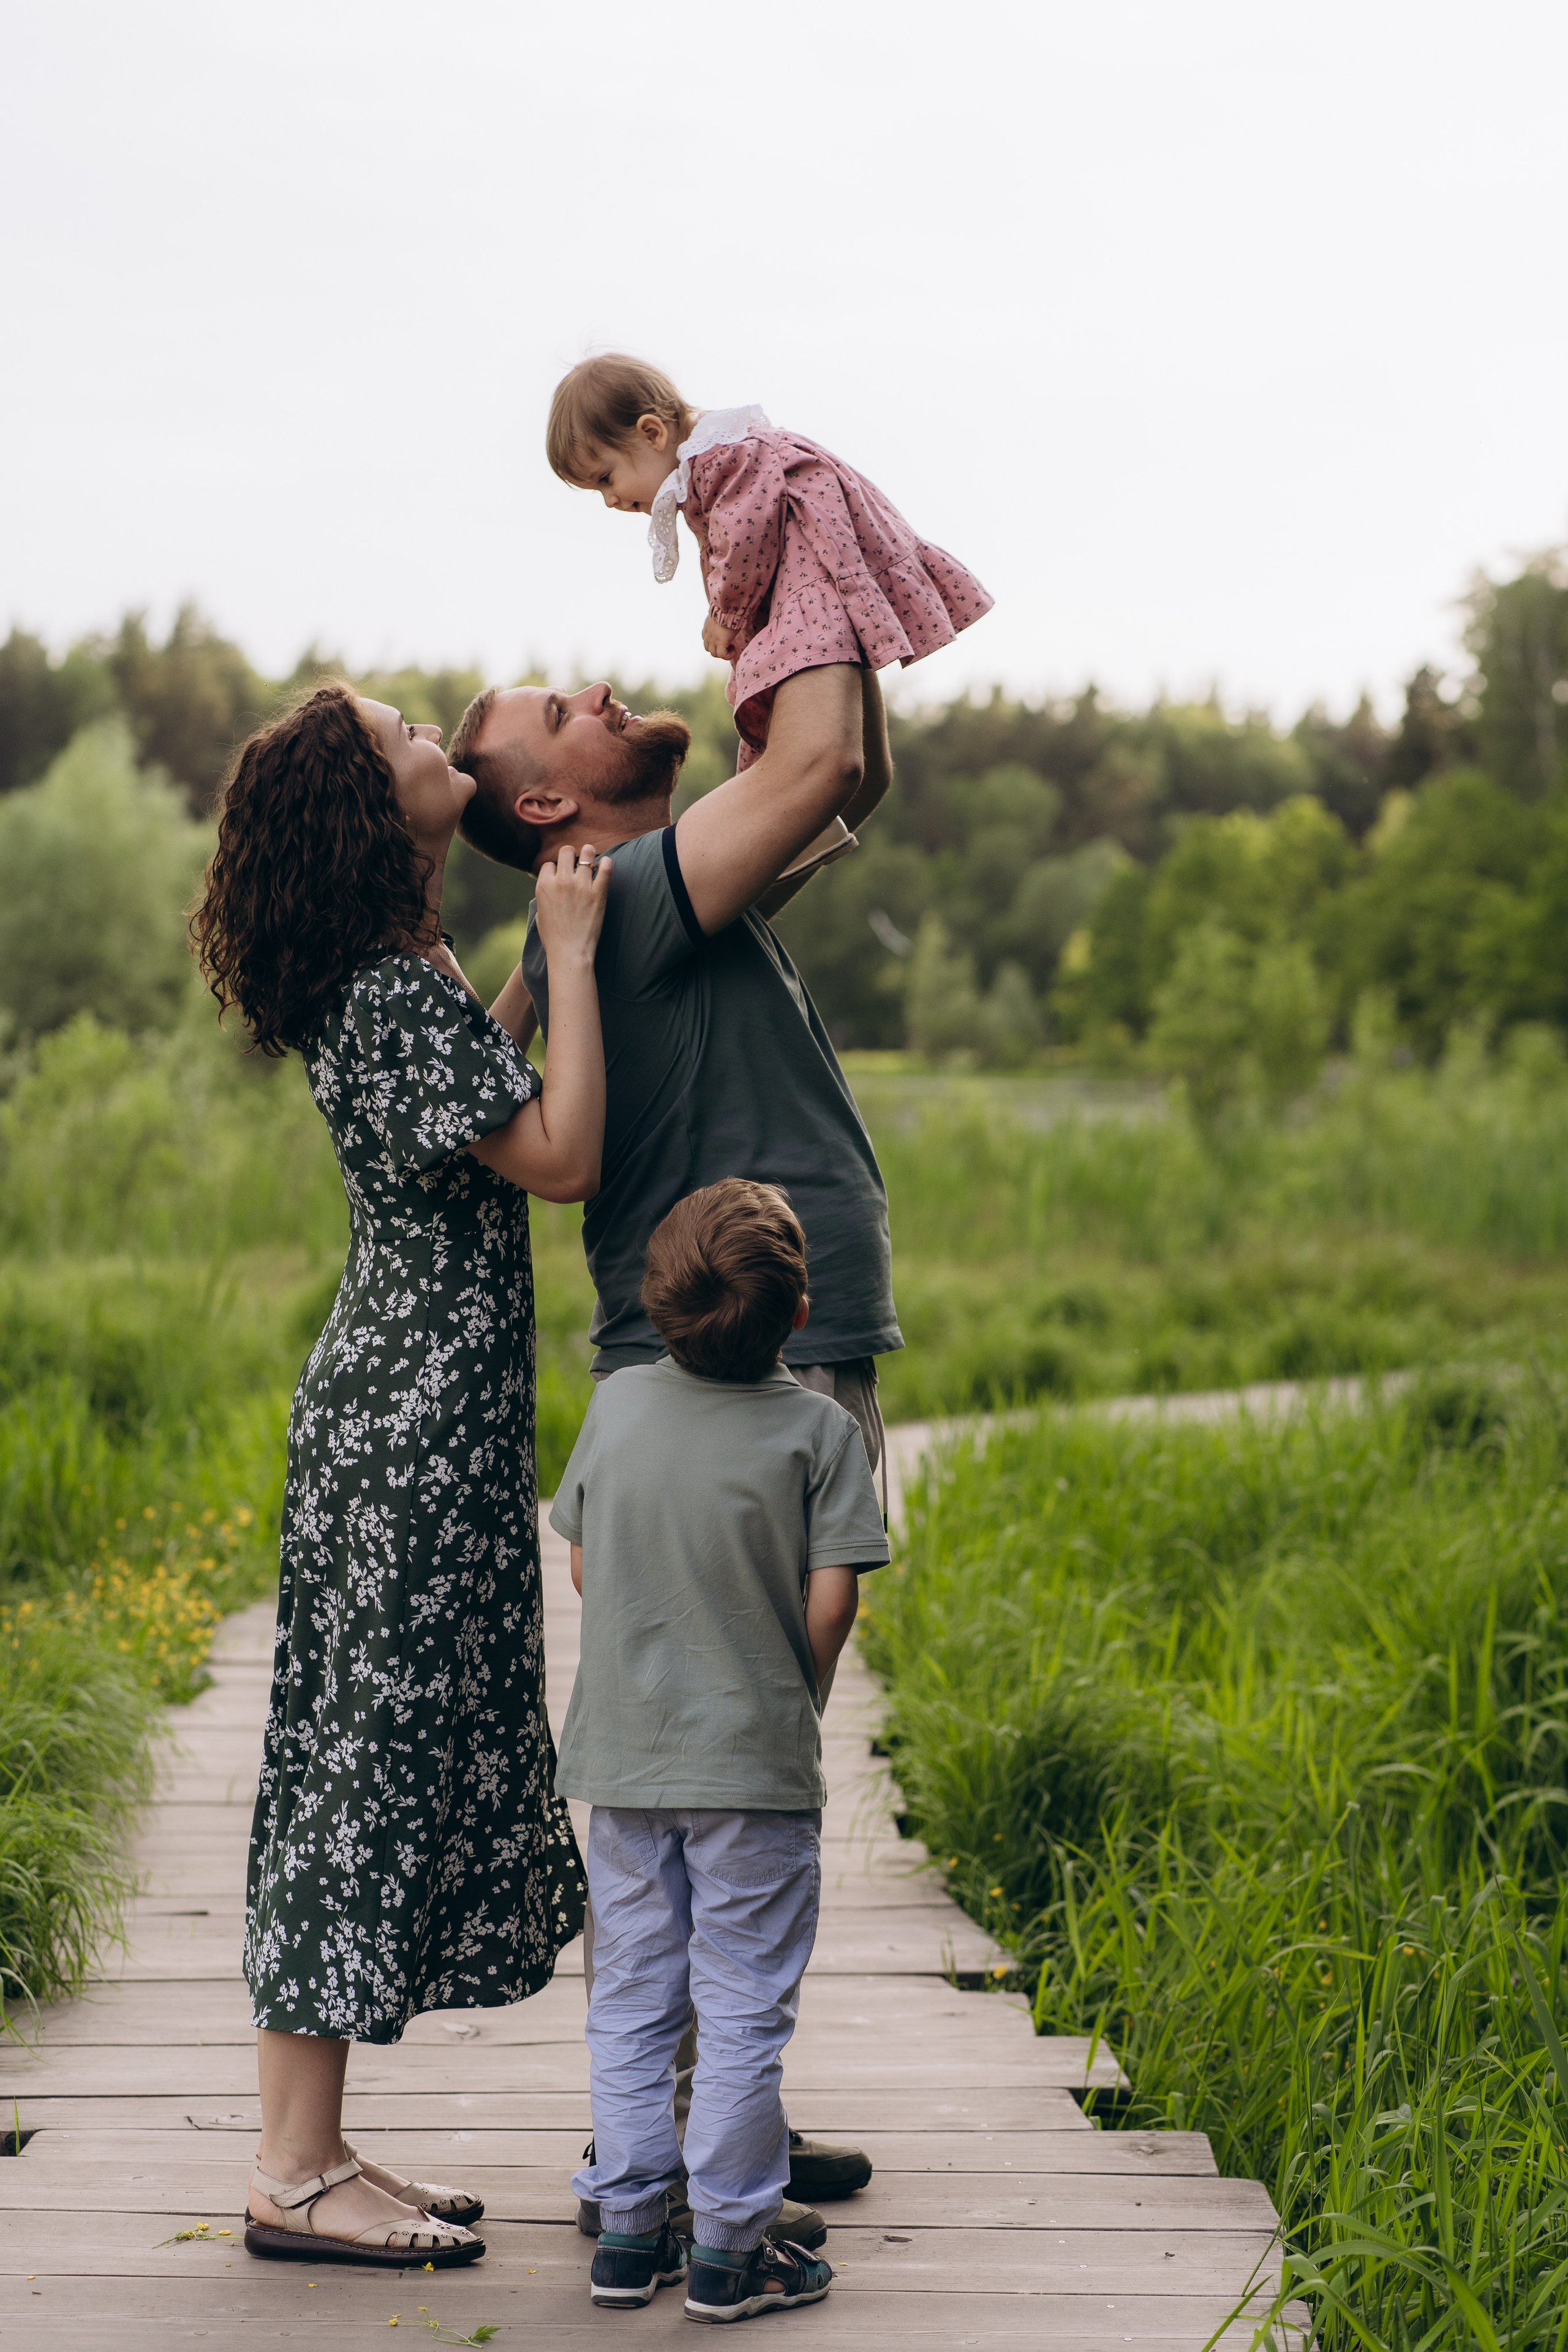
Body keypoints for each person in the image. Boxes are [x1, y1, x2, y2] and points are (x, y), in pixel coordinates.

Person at [450, 661, 895, 2236]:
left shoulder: (637, 895)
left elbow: (847, 775)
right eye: (552, 706)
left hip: (727, 1372)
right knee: (740, 1770)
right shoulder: (633, 893)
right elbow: (829, 745)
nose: (592, 683)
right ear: (547, 801)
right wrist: (795, 517)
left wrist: (797, 649)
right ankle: (695, 2165)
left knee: (722, 1778)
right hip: (737, 1378)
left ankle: (714, 2132)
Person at [192, 683, 610, 2269]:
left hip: (409, 1426)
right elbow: (556, 1160)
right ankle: (290, 2174)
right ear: (376, 809)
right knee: (354, 1777)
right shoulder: (379, 998)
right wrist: (567, 958)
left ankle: (321, 2151)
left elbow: (473, 1104)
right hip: (404, 1438)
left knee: (363, 1764)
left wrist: (508, 984)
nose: (443, 739)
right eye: (411, 738)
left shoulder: (401, 979)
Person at [551, 1180, 890, 2319]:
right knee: (742, 2001)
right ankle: (733, 2249)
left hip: (625, 1769)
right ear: (801, 1317)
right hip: (753, 1773)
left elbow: (589, 1566)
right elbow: (833, 1602)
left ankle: (629, 2231)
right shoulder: (822, 1432)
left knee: (634, 1998)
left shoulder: (620, 1411)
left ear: (655, 1309)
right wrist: (790, 1686)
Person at [546, 353, 992, 783]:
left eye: (606, 478)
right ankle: (794, 836)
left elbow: (747, 539)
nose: (610, 501)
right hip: (810, 582)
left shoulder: (721, 459)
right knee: (840, 761)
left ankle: (764, 825)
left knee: (804, 746)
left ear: (652, 433)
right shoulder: (718, 457)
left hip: (814, 584)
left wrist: (725, 615)